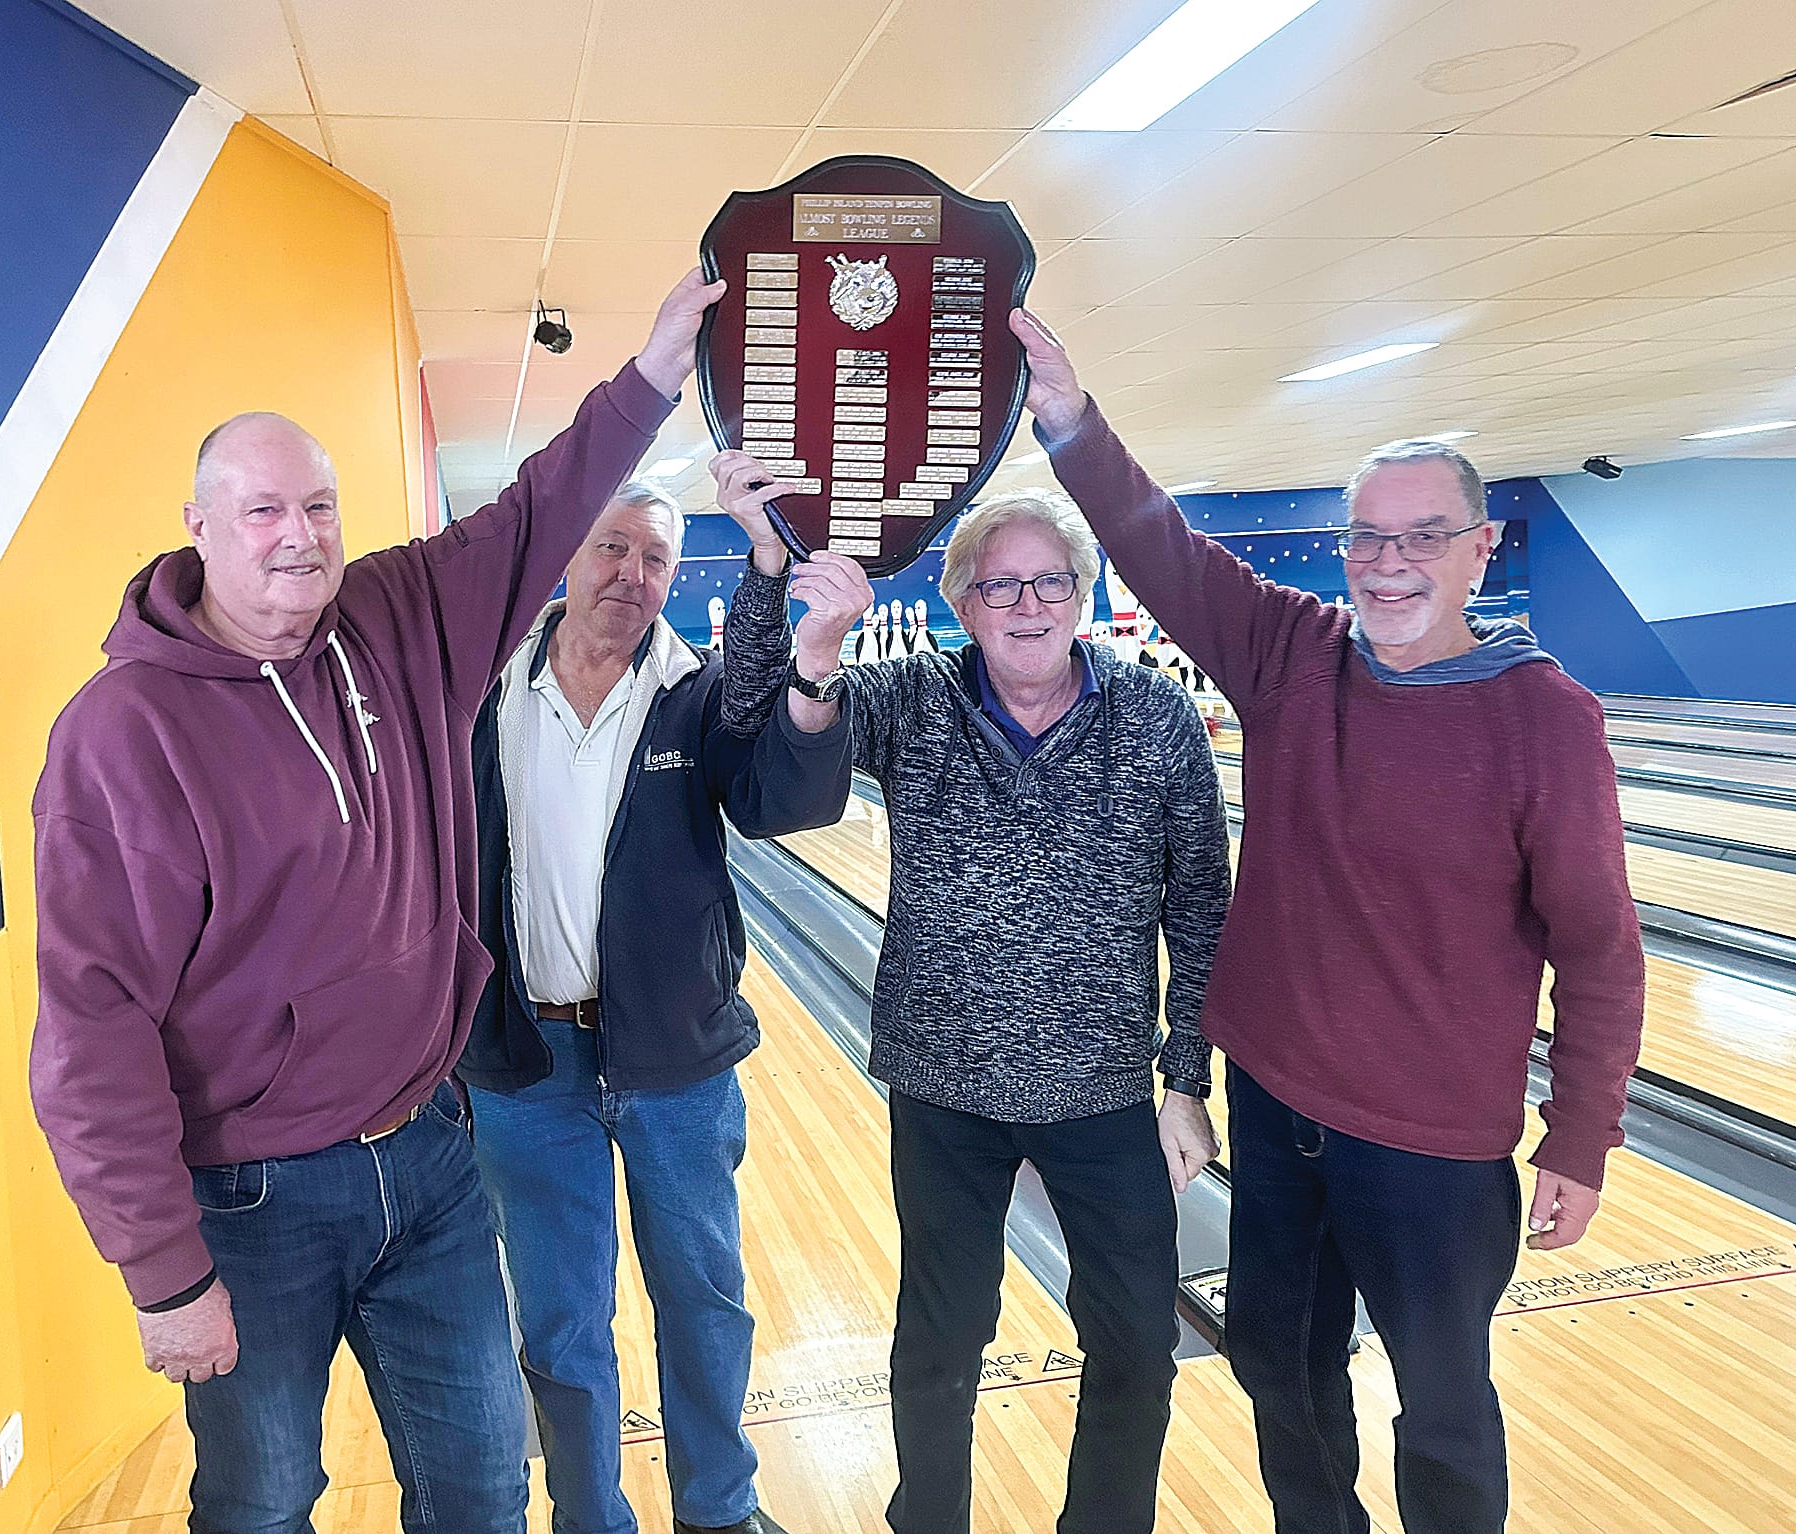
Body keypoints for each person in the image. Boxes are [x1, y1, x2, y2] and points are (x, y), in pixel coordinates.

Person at [28, 271, 722, 1533]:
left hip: (431, 1152)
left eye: (317, 505)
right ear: (195, 522)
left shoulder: (395, 620)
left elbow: (530, 518)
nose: (296, 534)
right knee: (262, 1502)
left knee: (477, 1489)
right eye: (259, 511)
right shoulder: (120, 734)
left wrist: (653, 376)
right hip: (250, 1199)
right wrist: (162, 1271)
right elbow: (89, 1024)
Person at [1009, 307, 1645, 1534]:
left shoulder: (1539, 716)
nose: (1388, 561)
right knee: (1275, 1367)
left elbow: (1597, 945)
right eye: (1365, 537)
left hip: (1433, 1142)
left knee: (1441, 1403)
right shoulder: (1293, 656)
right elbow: (1163, 551)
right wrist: (1070, 424)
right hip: (1279, 1102)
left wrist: (1580, 1134)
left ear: (1480, 549)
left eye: (1422, 536)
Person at [714, 451, 1232, 1534]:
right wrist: (784, 598)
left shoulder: (1154, 718)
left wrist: (1185, 1082)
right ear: (961, 604)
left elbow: (1200, 907)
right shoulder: (913, 698)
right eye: (999, 584)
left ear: (1082, 595)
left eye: (1050, 582)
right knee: (939, 1342)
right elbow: (761, 720)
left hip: (1102, 1089)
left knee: (1136, 1339)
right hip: (940, 1082)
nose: (1028, 604)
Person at [458, 478, 867, 1534]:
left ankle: (716, 1509)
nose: (629, 575)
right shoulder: (485, 691)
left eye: (653, 559)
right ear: (566, 556)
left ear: (672, 580)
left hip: (675, 1063)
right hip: (525, 1064)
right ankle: (588, 1515)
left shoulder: (694, 694)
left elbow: (780, 796)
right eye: (611, 548)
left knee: (703, 1304)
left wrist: (796, 629)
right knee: (560, 1324)